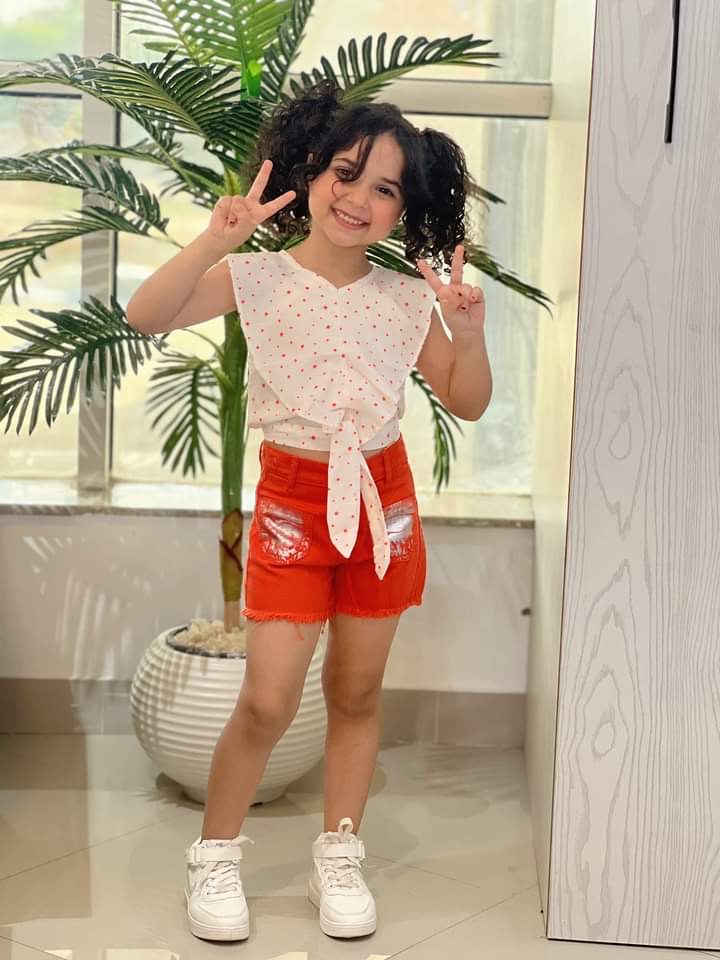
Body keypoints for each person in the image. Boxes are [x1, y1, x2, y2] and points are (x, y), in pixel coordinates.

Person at [126, 79, 492, 943]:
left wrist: (468, 331)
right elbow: (144, 316)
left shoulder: (406, 298)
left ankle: (340, 853)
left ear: (405, 208)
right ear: (312, 170)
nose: (357, 198)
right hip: (292, 501)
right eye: (346, 173)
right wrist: (215, 239)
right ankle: (216, 857)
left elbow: (468, 401)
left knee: (356, 692)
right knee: (267, 699)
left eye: (385, 188)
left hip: (383, 500)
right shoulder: (256, 277)